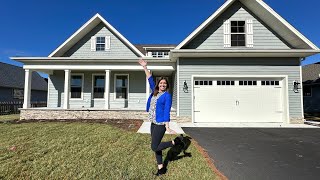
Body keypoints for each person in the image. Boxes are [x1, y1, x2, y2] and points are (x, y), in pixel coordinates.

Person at [138, 59, 183, 176]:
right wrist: (144, 67)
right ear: (158, 84)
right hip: (153, 122)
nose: (162, 85)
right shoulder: (155, 91)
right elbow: (149, 79)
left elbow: (167, 110)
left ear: (167, 85)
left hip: (160, 124)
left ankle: (175, 142)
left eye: (165, 84)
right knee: (156, 146)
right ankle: (161, 168)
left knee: (154, 147)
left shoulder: (167, 96)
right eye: (161, 83)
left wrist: (167, 126)